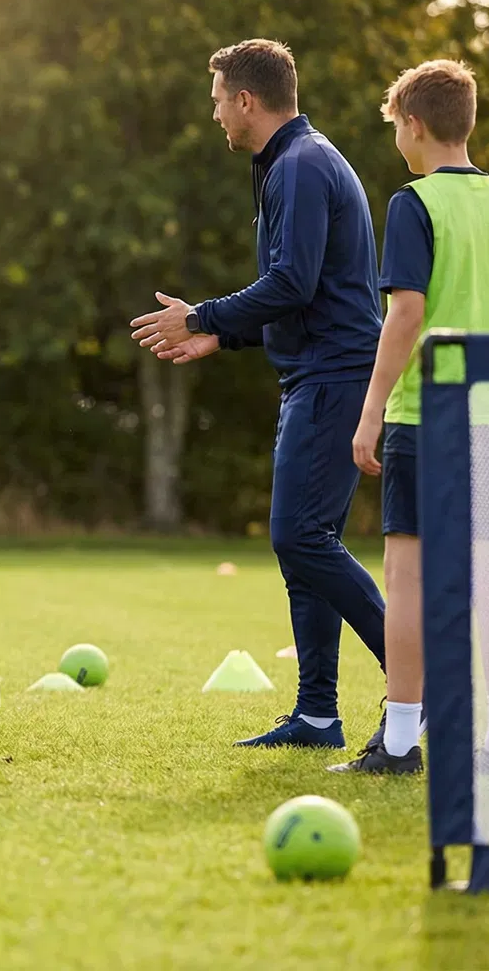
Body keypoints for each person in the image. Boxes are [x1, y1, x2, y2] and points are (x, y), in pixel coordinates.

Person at [131, 39, 389, 749]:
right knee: (306, 543)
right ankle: (316, 714)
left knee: (299, 536)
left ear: (246, 99)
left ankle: (415, 679)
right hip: (316, 369)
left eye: (218, 98)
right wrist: (228, 338)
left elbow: (294, 283)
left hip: (335, 375)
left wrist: (202, 316)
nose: (214, 112)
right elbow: (309, 291)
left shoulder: (302, 168)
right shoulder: (291, 163)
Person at [331, 59, 489, 775]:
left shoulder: (414, 204)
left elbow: (406, 315)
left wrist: (369, 415)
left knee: (408, 576)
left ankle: (398, 744)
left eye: (395, 124)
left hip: (428, 415)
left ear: (413, 124)